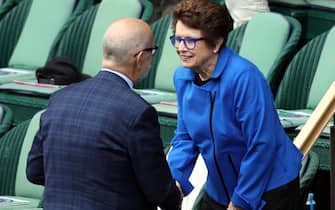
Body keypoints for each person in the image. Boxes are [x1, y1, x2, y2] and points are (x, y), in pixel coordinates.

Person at [26, 18, 182, 210]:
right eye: (152, 51)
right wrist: (175, 198)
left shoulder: (59, 99)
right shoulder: (138, 112)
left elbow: (34, 171)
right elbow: (158, 190)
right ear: (141, 57)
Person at [166, 0, 303, 210]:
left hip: (268, 187)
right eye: (177, 39)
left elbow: (261, 143)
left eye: (190, 41)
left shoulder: (244, 78)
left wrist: (241, 201)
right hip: (220, 190)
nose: (181, 48)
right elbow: (185, 135)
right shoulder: (183, 77)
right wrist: (176, 178)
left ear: (216, 43)